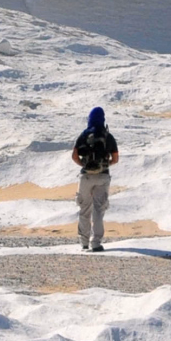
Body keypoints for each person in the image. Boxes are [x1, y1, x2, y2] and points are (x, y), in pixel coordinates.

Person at [71, 106, 119, 252]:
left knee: (84, 208)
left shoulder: (84, 135)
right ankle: (96, 243)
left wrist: (84, 165)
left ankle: (84, 242)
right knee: (99, 209)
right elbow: (116, 158)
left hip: (85, 176)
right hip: (103, 176)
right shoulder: (107, 136)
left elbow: (74, 156)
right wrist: (105, 165)